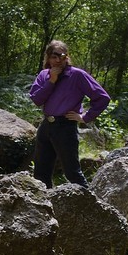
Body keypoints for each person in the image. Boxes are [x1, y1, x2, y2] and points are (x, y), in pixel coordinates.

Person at [27, 40, 110, 188]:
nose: (58, 60)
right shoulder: (44, 75)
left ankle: (90, 206)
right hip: (46, 126)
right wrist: (51, 81)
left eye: (62, 56)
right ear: (48, 58)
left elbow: (102, 98)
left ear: (67, 57)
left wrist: (85, 117)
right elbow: (37, 99)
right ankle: (44, 207)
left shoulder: (77, 75)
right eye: (54, 56)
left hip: (65, 127)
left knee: (72, 173)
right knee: (40, 173)